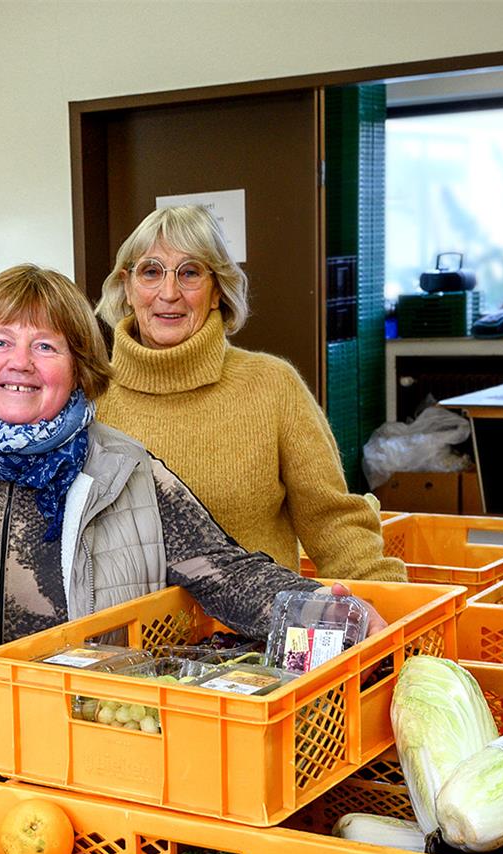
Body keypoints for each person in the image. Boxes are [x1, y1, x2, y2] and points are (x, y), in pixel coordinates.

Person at [0, 265, 369, 645]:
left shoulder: (127, 470)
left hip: (82, 735)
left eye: (45, 346)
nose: (21, 363)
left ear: (79, 368)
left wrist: (324, 611)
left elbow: (225, 572)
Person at [94, 206, 404, 581]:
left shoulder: (272, 385)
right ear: (127, 288)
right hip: (123, 637)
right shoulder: (91, 396)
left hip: (255, 631)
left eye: (190, 272)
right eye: (150, 272)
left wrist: (387, 608)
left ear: (217, 292)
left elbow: (333, 522)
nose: (169, 292)